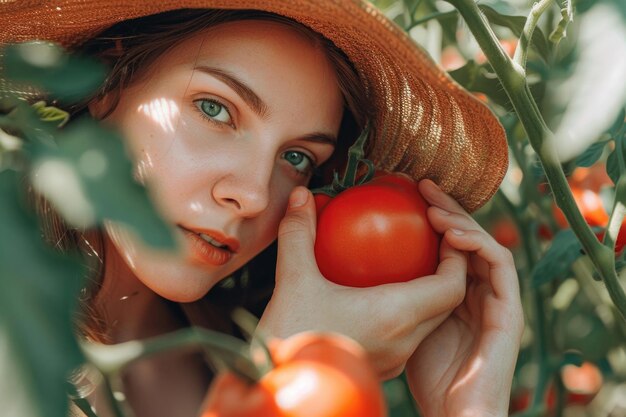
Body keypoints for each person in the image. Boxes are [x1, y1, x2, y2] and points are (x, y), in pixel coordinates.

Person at [1, 2, 524, 417]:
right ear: (106, 76)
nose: (252, 195)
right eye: (215, 109)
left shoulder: (224, 342)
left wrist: (464, 408)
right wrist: (291, 368)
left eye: (297, 158)